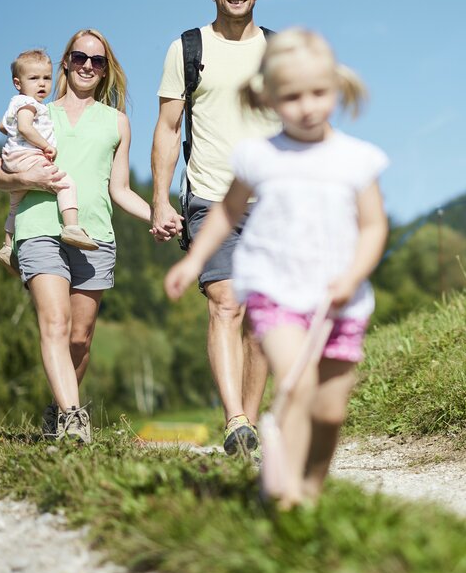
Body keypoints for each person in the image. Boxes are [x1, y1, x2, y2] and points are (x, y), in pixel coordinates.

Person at [164, 28, 388, 507]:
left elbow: (373, 228)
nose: (306, 106)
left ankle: (309, 488)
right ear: (268, 97)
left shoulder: (355, 159)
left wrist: (352, 275)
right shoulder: (259, 156)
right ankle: (280, 492)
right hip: (277, 292)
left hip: (340, 301)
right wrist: (196, 260)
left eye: (318, 93)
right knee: (296, 384)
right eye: (291, 97)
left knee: (329, 411)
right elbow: (225, 211)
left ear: (336, 87)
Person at [0, 29, 152, 443]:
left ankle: (58, 413)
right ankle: (74, 418)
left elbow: (120, 190)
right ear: (66, 61)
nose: (87, 66)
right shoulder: (39, 111)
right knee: (56, 323)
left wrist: (159, 215)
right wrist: (26, 177)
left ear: (104, 70)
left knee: (79, 338)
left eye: (96, 61)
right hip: (41, 228)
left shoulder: (116, 122)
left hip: (94, 233)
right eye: (80, 57)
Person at [151, 0, 279, 456]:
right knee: (226, 302)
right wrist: (161, 200)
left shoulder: (277, 50)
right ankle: (235, 420)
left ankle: (247, 425)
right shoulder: (187, 48)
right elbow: (167, 129)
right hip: (209, 197)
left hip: (271, 201)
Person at [0, 48, 97, 276]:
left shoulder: (15, 103)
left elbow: (3, 126)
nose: (41, 84)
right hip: (28, 159)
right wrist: (45, 145)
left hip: (13, 161)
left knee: (14, 206)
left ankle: (6, 246)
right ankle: (72, 227)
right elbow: (24, 127)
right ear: (17, 82)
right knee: (65, 183)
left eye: (46, 78)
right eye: (33, 78)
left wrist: (14, 135)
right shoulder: (30, 105)